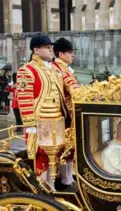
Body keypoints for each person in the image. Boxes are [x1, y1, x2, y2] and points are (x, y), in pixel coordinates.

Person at [16, 33, 75, 191]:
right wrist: (30, 125)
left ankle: (52, 185)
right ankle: (43, 188)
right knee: (41, 157)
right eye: (47, 48)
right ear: (36, 50)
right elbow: (25, 99)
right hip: (40, 121)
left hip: (58, 120)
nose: (51, 50)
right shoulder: (27, 71)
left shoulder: (54, 70)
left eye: (51, 47)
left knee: (56, 156)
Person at [51, 37, 80, 188]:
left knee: (71, 148)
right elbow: (73, 88)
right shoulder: (58, 68)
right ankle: (65, 178)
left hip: (70, 112)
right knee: (64, 147)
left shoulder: (64, 68)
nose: (72, 55)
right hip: (63, 114)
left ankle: (68, 176)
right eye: (69, 52)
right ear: (61, 54)